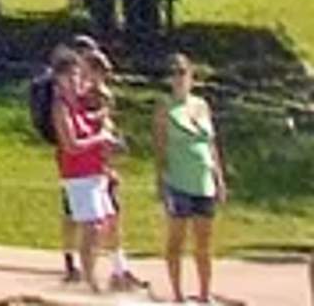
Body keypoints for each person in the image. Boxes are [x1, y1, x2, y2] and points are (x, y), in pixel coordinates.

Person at [53, 40, 138, 292]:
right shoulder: (61, 107)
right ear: (60, 78)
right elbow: (71, 145)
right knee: (91, 227)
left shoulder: (78, 104)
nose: (76, 80)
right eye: (71, 75)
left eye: (77, 75)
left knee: (106, 222)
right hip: (78, 175)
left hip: (95, 173)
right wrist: (100, 138)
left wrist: (103, 122)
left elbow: (91, 118)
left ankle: (104, 275)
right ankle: (91, 282)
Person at [158, 53, 222, 305]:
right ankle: (177, 294)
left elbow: (211, 144)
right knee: (177, 239)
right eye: (174, 74)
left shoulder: (201, 105)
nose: (179, 79)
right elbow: (161, 148)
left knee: (204, 243)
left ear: (191, 77)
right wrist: (161, 181)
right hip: (179, 180)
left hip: (202, 180)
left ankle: (205, 294)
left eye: (183, 73)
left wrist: (218, 177)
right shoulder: (165, 107)